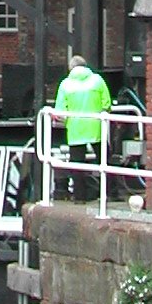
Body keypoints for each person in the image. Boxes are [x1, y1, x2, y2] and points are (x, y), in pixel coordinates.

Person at [53, 56, 112, 200]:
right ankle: (111, 193)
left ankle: (80, 197)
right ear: (86, 66)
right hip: (96, 126)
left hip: (76, 129)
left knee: (77, 163)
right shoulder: (97, 80)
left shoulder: (65, 84)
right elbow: (107, 104)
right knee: (105, 160)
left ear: (70, 69)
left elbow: (60, 111)